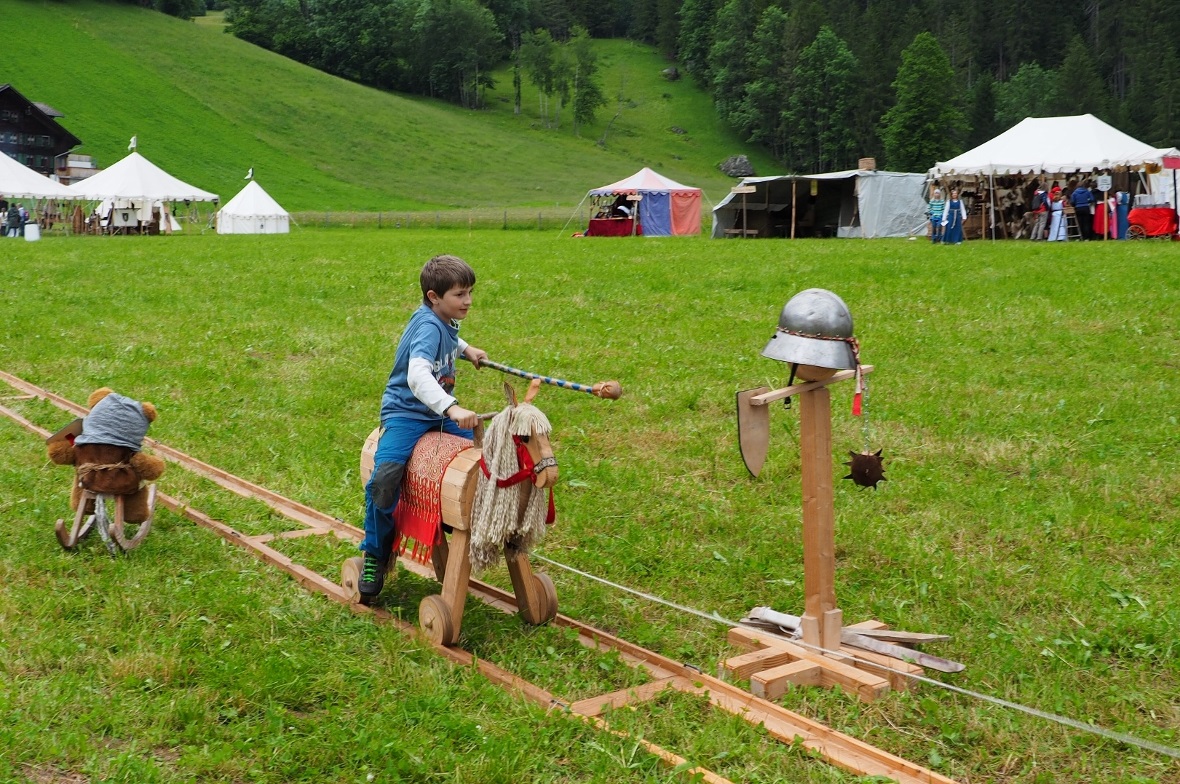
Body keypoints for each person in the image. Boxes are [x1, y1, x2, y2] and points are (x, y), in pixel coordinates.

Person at [358, 255, 488, 601]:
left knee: (480, 460)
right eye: (460, 295)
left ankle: (450, 520)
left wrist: (466, 349)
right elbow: (417, 375)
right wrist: (452, 406)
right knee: (384, 479)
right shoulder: (428, 325)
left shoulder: (441, 320)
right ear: (434, 296)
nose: (468, 301)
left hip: (437, 412)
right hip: (407, 413)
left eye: (470, 292)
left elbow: (447, 339)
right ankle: (375, 552)